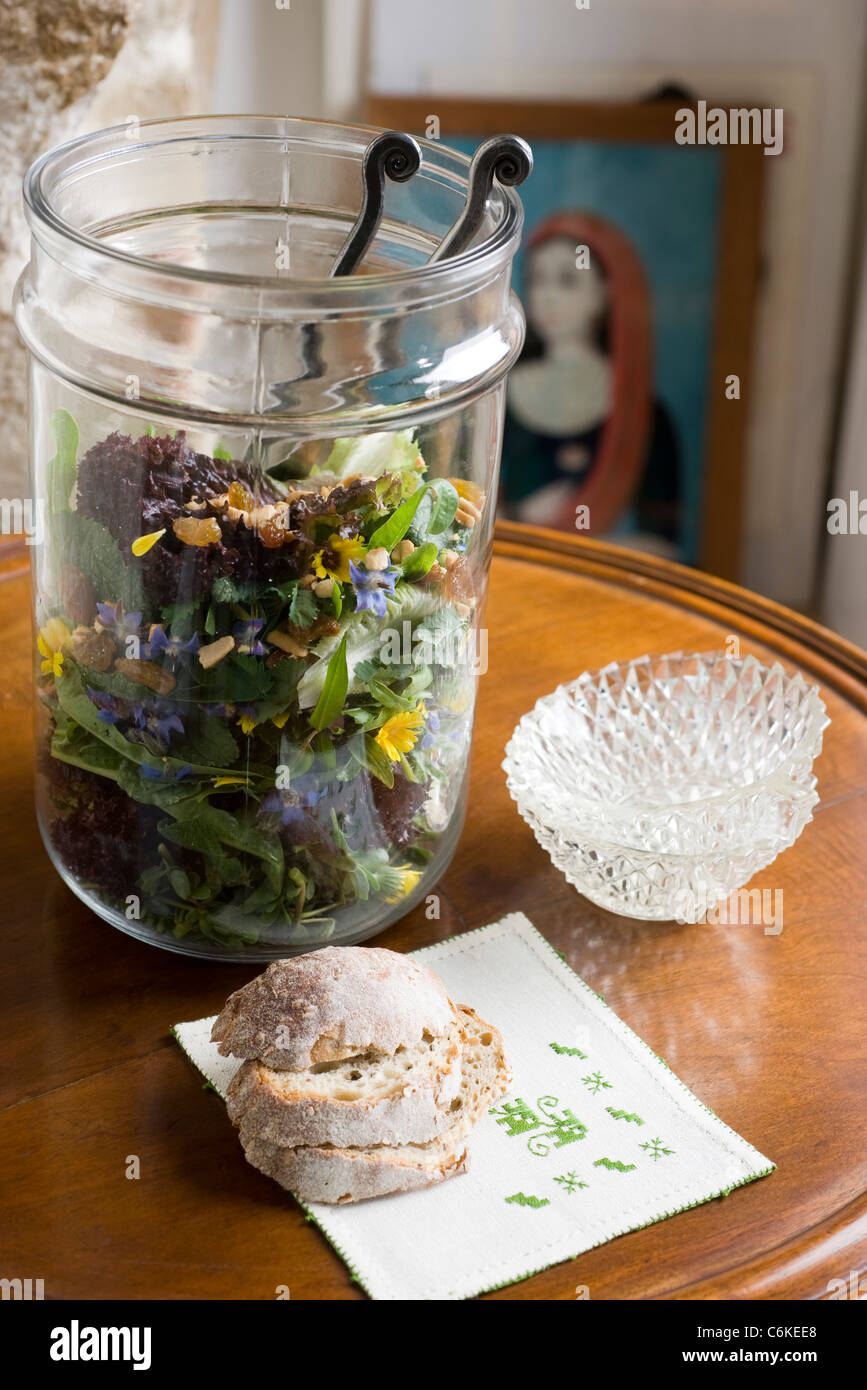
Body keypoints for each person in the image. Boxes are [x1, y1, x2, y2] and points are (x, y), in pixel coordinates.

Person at [499, 211, 682, 551]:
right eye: (537, 279)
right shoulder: (504, 394)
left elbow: (662, 544)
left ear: (605, 292)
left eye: (568, 280)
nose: (545, 296)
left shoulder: (645, 416)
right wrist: (519, 517)